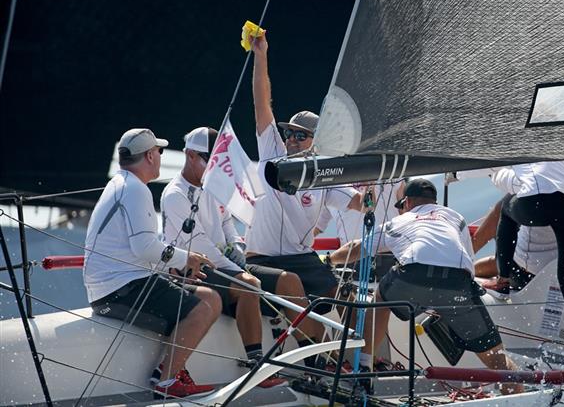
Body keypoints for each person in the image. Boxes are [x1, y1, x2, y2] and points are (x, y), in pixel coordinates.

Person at [329, 179, 523, 395]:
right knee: (494, 355)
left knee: (381, 296)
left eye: (400, 205)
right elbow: (466, 258)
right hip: (458, 283)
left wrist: (329, 261)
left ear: (408, 202)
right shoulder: (454, 217)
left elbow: (356, 247)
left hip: (414, 275)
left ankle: (363, 369)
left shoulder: (400, 221)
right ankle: (518, 394)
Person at [162, 126, 326, 372]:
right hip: (193, 268)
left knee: (288, 281)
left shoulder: (211, 184)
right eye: (209, 159)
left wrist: (237, 246)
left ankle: (315, 364)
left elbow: (227, 222)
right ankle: (256, 362)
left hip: (223, 263)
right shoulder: (175, 195)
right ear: (190, 155)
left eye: (216, 159)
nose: (213, 165)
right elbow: (199, 245)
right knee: (249, 284)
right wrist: (236, 266)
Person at [83, 128, 220, 398]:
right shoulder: (135, 189)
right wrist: (187, 258)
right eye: (158, 151)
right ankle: (166, 384)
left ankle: (169, 372)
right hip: (120, 289)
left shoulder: (120, 183)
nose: (160, 155)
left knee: (211, 298)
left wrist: (171, 266)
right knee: (202, 309)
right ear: (149, 156)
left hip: (115, 285)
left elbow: (134, 249)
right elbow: (144, 247)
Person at [246, 33, 362, 314]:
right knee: (292, 284)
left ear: (316, 143)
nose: (292, 139)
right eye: (289, 133)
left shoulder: (326, 174)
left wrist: (373, 190)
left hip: (303, 258)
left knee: (346, 295)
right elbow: (262, 104)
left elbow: (359, 203)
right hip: (264, 259)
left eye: (301, 135)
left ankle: (360, 359)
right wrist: (261, 56)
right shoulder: (273, 153)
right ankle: (318, 359)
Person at [477, 162, 564, 363]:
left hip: (539, 204)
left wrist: (455, 175)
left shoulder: (520, 158)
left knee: (506, 209)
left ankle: (503, 279)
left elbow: (497, 174)